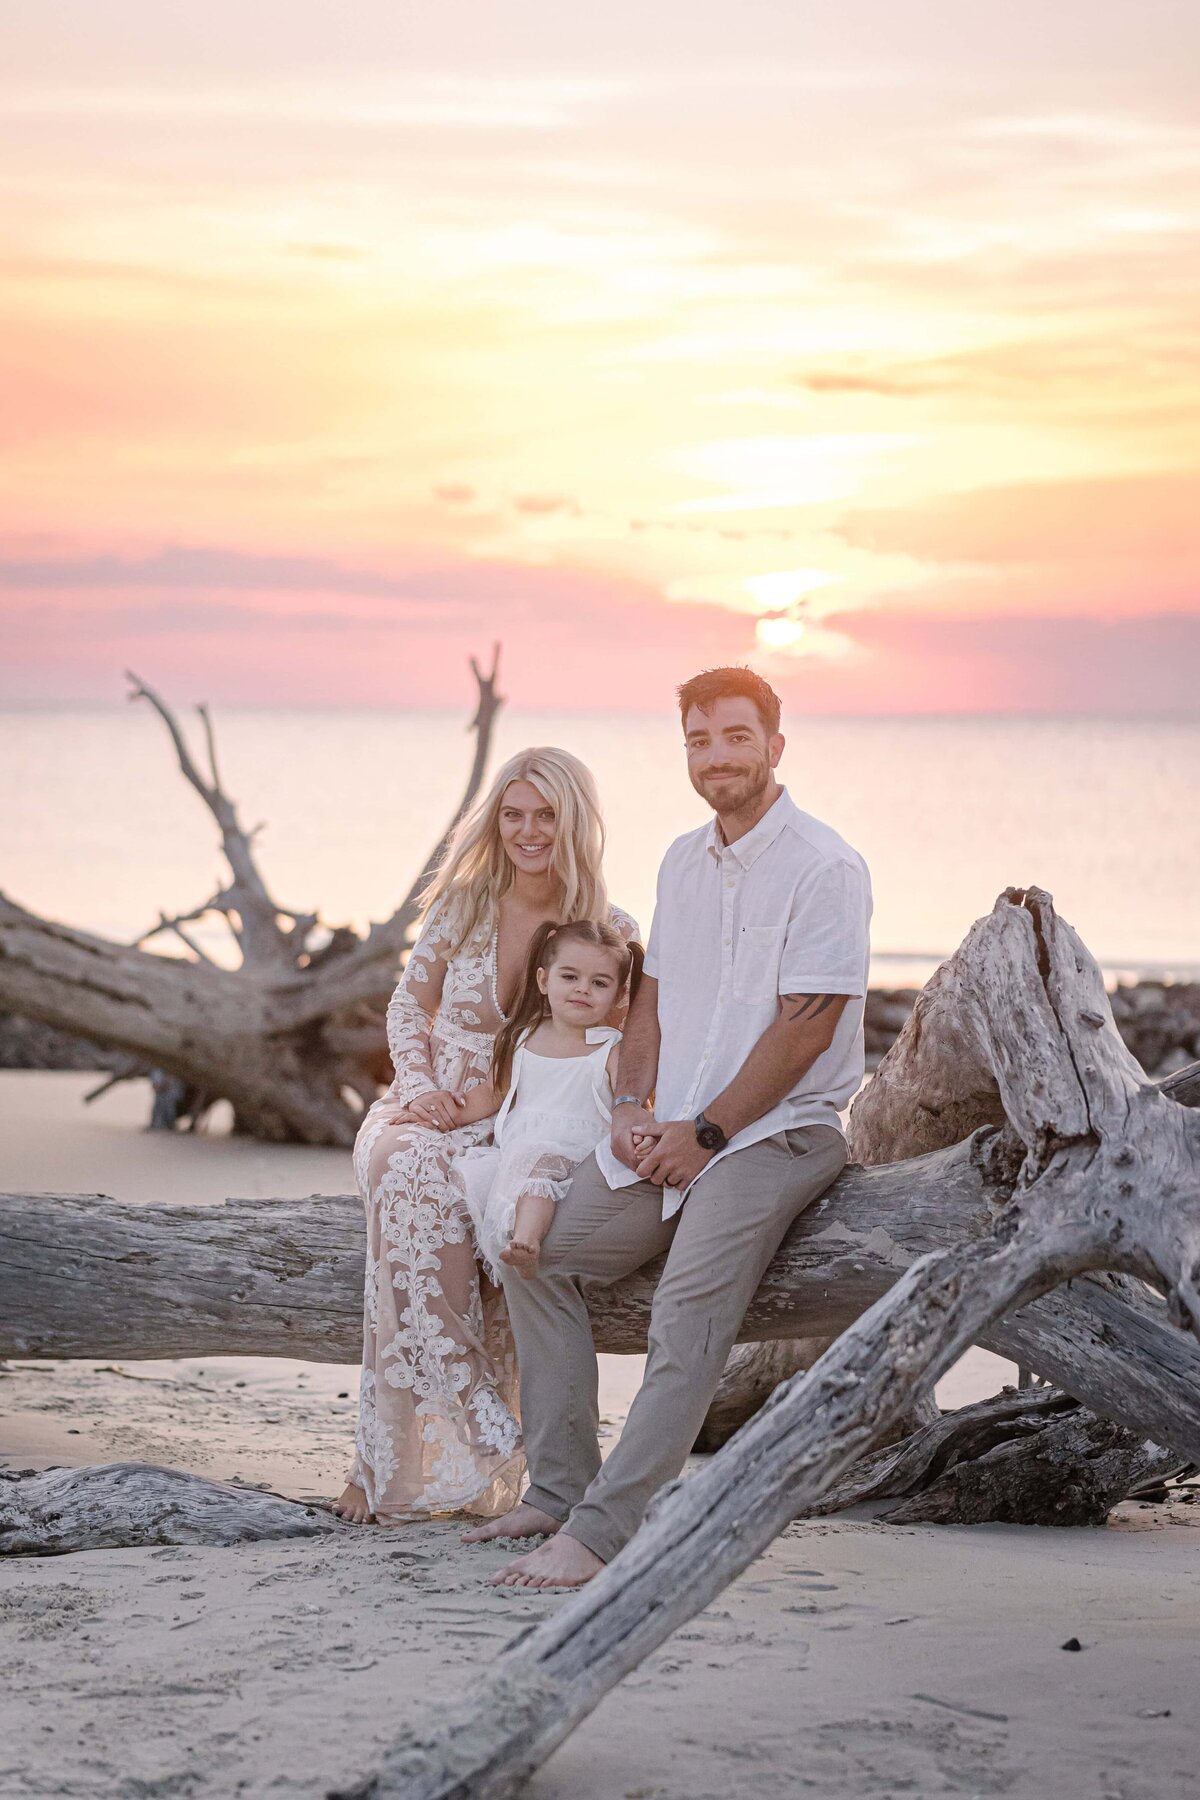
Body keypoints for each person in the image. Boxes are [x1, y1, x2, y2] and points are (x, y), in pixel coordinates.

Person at [465, 666, 872, 1586]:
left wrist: (710, 1133)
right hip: (673, 1130)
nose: (717, 756)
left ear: (775, 744)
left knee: (687, 1312)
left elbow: (807, 1027)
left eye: (736, 736)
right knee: (533, 1250)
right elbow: (650, 999)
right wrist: (632, 1107)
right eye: (699, 740)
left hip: (777, 1135)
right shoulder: (682, 861)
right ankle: (560, 1487)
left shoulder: (826, 867)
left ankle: (603, 1532)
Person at [331, 749, 637, 1526]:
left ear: (572, 821)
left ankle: (391, 1468)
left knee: (484, 1207)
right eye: (513, 815)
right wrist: (425, 1088)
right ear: (496, 822)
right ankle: (475, 1430)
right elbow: (407, 1009)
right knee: (406, 1171)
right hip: (431, 1103)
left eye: (544, 815)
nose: (528, 832)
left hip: (527, 1122)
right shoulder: (464, 905)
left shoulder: (608, 929)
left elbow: (636, 1037)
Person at [450, 920, 643, 1281]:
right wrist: (443, 1113)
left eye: (599, 983)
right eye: (569, 977)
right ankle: (479, 1277)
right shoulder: (523, 1037)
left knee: (539, 1165)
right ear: (543, 981)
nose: (583, 989)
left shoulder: (610, 1048)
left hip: (577, 1150)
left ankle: (527, 1242)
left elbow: (628, 1105)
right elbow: (492, 1094)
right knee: (468, 1179)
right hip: (517, 1146)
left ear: (617, 996)